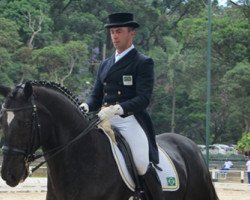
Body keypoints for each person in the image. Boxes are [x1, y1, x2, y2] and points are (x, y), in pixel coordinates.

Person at [80, 12, 163, 199]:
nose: (115, 36)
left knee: (141, 163)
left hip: (130, 120)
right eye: (112, 32)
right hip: (103, 120)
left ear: (131, 33)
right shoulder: (105, 64)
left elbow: (143, 98)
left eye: (119, 31)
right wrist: (85, 106)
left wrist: (118, 109)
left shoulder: (142, 62)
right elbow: (96, 96)